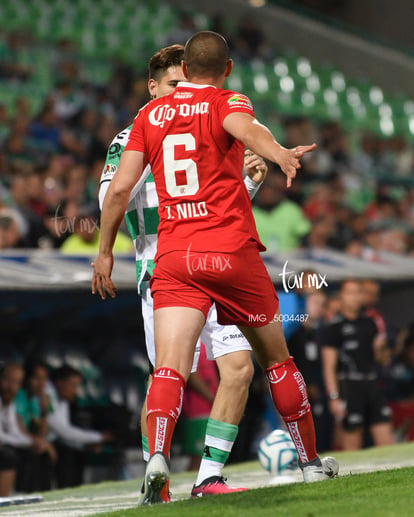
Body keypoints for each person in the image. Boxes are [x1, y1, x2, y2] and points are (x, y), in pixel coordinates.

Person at [92, 31, 338, 505]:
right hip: (225, 254)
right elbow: (248, 130)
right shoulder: (224, 103)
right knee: (275, 360)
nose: (173, 87)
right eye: (165, 82)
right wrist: (279, 152)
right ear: (225, 69)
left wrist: (103, 251)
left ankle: (186, 470)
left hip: (176, 258)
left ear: (187, 73)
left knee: (191, 370)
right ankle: (308, 463)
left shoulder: (150, 118)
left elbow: (115, 196)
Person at [98, 44, 267, 499]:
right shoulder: (129, 137)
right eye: (174, 85)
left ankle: (209, 475)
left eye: (187, 83)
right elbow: (111, 203)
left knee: (238, 369)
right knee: (168, 374)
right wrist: (180, 206)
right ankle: (158, 477)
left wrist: (249, 181)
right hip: (165, 268)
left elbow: (222, 209)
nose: (183, 92)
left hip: (217, 261)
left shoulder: (208, 127)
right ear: (153, 88)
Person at [320, 279, 393, 450]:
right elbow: (328, 366)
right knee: (352, 442)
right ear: (342, 296)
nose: (354, 297)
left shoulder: (370, 323)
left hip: (371, 382)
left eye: (358, 293)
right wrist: (334, 397)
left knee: (385, 436)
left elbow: (383, 360)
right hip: (349, 386)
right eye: (350, 293)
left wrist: (381, 349)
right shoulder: (333, 327)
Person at [46, 365, 113, 488]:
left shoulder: (63, 399)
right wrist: (100, 437)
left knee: (77, 451)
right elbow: (63, 431)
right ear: (59, 383)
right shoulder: (47, 394)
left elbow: (65, 431)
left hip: (53, 443)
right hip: (37, 445)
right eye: (72, 385)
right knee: (65, 454)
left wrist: (85, 444)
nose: (75, 391)